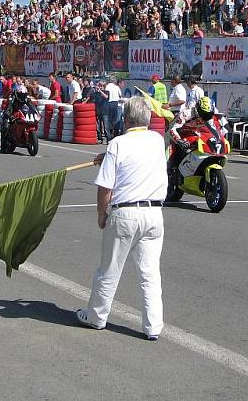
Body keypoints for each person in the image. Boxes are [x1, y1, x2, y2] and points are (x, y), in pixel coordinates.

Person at [75, 96, 166, 341]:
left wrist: (101, 213)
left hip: (126, 213)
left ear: (125, 120)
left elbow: (105, 187)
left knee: (109, 270)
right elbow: (137, 155)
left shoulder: (118, 144)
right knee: (150, 273)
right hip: (154, 213)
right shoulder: (157, 141)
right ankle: (153, 326)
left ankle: (96, 317)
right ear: (147, 119)